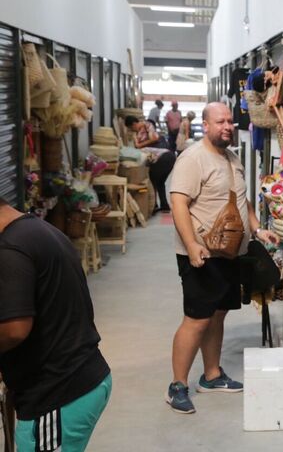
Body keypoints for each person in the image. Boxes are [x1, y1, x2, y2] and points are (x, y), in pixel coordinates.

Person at [167, 102, 279, 414]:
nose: (227, 126)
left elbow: (241, 199)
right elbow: (178, 203)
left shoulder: (232, 157)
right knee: (197, 319)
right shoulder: (193, 158)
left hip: (231, 253)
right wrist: (191, 244)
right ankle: (177, 385)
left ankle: (212, 375)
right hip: (203, 254)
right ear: (205, 124)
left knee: (217, 314)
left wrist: (257, 230)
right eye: (220, 122)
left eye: (230, 120)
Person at [0, 196, 112, 452]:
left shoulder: (11, 249)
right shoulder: (36, 230)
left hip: (58, 393)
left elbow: (15, 329)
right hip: (80, 377)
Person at [125, 115, 175, 213]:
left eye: (131, 128)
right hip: (168, 156)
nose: (132, 130)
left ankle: (153, 206)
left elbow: (155, 138)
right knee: (159, 182)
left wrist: (139, 145)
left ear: (134, 124)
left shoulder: (146, 125)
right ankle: (164, 206)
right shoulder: (139, 133)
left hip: (163, 157)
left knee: (152, 180)